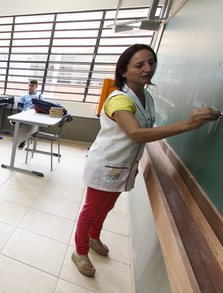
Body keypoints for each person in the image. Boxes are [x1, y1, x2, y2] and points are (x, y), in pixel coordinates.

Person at [72, 44, 219, 278]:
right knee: (90, 210)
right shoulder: (119, 100)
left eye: (151, 62)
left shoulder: (146, 96)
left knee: (107, 206)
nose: (147, 68)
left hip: (123, 165)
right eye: (139, 65)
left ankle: (93, 236)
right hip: (106, 164)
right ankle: (79, 251)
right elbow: (136, 133)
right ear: (123, 71)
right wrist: (188, 124)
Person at [16, 79, 44, 149]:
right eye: (29, 85)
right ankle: (22, 140)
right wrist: (21, 113)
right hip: (25, 113)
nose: (30, 87)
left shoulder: (39, 96)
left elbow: (42, 107)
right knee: (23, 124)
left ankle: (24, 139)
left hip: (35, 114)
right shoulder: (24, 96)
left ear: (36, 87)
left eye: (32, 86)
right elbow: (19, 106)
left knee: (29, 125)